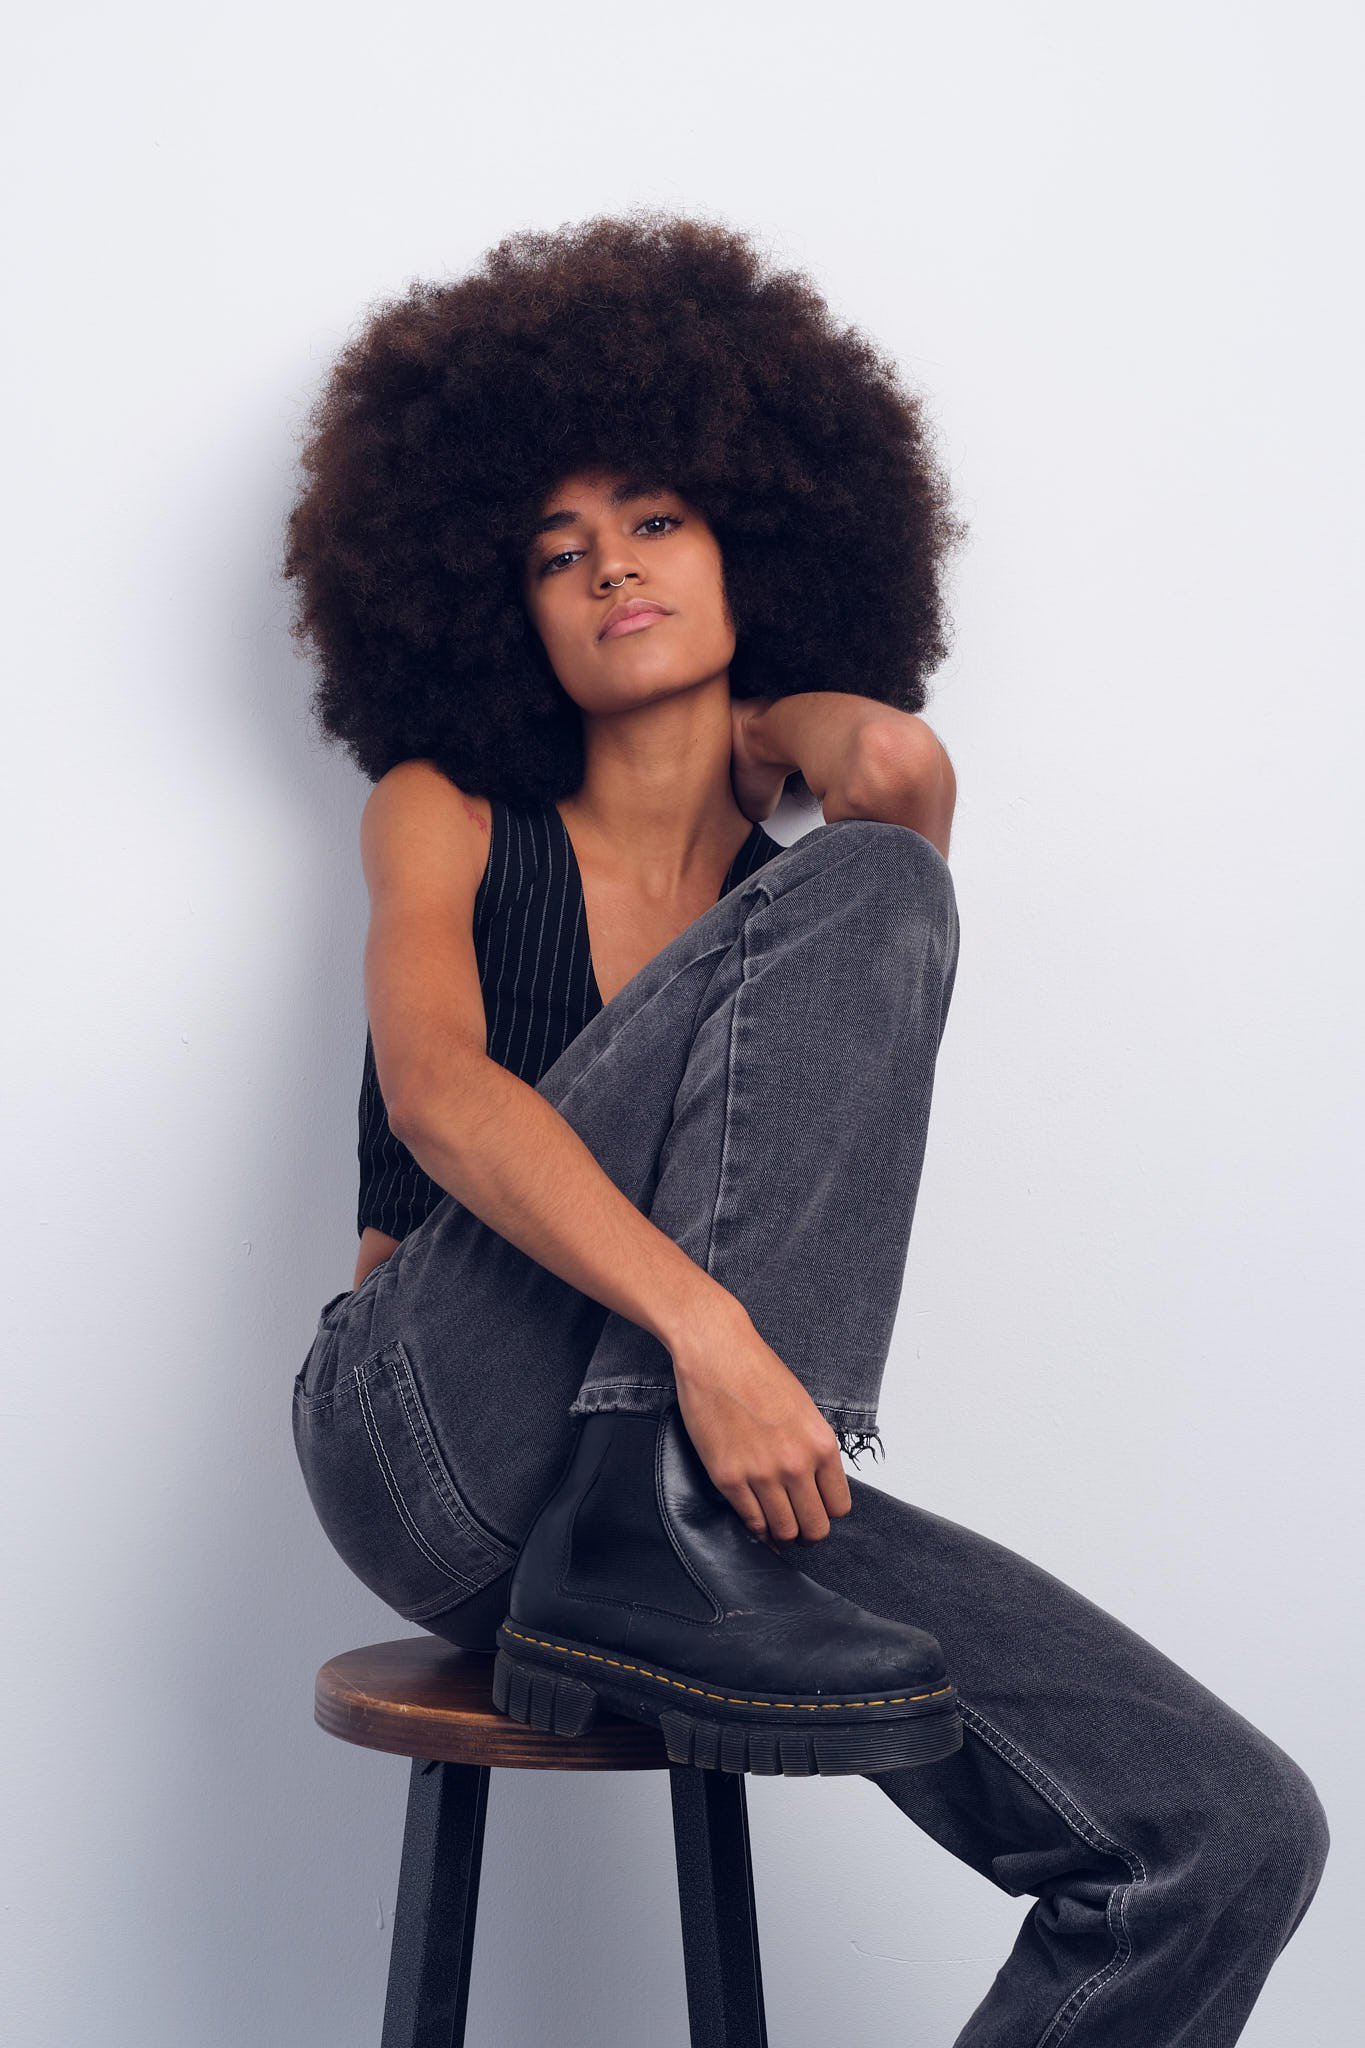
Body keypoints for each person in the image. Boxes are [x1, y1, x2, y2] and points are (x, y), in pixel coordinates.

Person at [281, 210, 1328, 2040]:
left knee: (1226, 1833)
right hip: (429, 1439)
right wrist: (703, 1331)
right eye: (557, 552)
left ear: (757, 534)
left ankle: (654, 1520)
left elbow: (899, 781)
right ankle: (644, 1506)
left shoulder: (813, 895)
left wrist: (763, 715)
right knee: (875, 894)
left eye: (659, 522)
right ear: (487, 603)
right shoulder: (446, 805)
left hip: (677, 1514)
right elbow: (442, 1099)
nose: (611, 569)